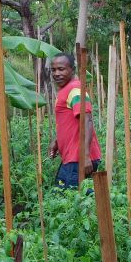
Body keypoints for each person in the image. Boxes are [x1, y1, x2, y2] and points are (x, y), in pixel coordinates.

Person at [48, 53, 101, 188]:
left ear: (72, 69)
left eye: (61, 69)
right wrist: (57, 140)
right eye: (53, 70)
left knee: (71, 201)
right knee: (68, 200)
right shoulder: (65, 90)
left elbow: (87, 121)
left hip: (78, 159)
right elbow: (69, 122)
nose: (57, 73)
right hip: (72, 158)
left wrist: (85, 155)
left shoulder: (75, 89)